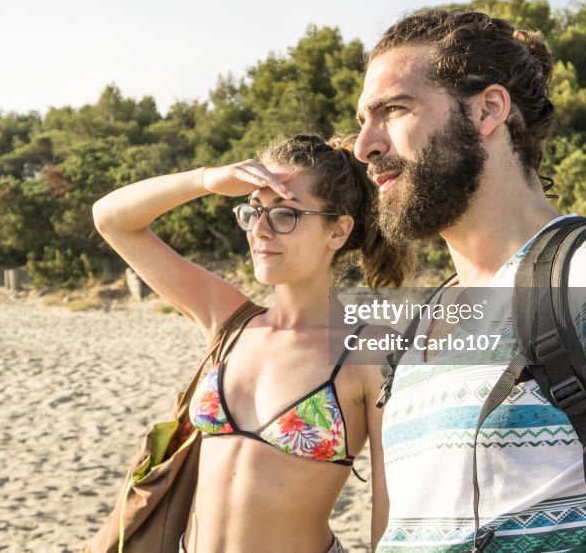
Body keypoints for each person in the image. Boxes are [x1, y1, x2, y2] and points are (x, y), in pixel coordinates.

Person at [352, 8, 586, 551]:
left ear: (489, 109)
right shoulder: (427, 318)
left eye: (393, 110)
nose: (363, 146)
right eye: (362, 121)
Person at [92, 134, 412, 553]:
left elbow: (391, 516)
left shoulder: (370, 353)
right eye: (254, 212)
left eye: (284, 215)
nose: (260, 230)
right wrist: (207, 180)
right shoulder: (230, 321)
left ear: (338, 230)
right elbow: (111, 219)